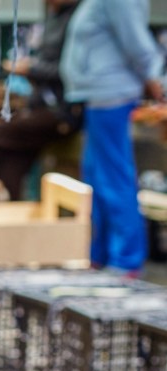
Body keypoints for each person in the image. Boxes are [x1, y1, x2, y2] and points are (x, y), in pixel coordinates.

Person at [60, 0, 166, 274]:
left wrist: (158, 81)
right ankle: (102, 255)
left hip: (112, 98)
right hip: (97, 98)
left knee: (114, 178)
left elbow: (137, 42)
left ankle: (126, 260)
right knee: (96, 178)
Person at [0, 0, 82, 202]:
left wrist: (30, 69)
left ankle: (1, 204)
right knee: (14, 155)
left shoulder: (78, 18)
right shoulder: (54, 16)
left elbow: (70, 71)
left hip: (63, 112)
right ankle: (9, 211)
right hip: (41, 106)